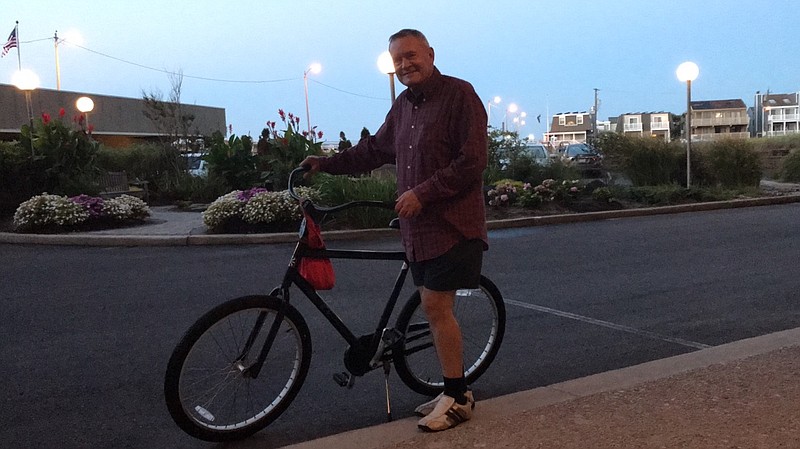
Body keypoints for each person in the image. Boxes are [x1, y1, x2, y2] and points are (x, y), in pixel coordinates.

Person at [301, 29, 488, 432]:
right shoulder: (403, 106)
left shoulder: (460, 95)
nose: (405, 65)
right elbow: (373, 150)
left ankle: (458, 398)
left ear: (430, 54)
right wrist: (325, 163)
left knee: (437, 308)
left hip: (452, 224)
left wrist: (423, 192)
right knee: (433, 308)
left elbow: (472, 160)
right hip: (417, 229)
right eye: (398, 60)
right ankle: (452, 388)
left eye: (411, 56)